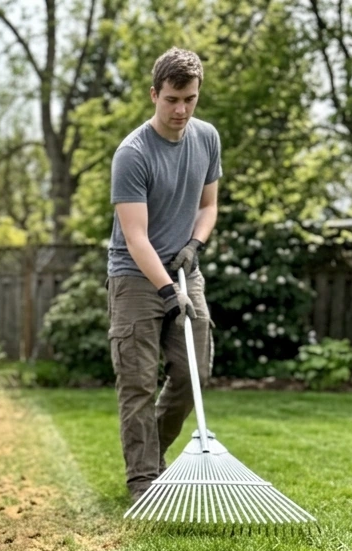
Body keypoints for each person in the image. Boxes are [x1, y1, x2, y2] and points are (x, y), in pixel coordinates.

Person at [107, 47, 222, 501]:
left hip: (184, 269)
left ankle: (153, 456)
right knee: (137, 381)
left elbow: (208, 206)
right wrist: (165, 291)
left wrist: (195, 245)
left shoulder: (207, 138)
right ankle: (142, 480)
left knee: (196, 372)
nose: (181, 110)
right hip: (135, 277)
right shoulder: (132, 154)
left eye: (190, 99)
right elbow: (136, 238)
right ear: (155, 94)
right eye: (172, 99)